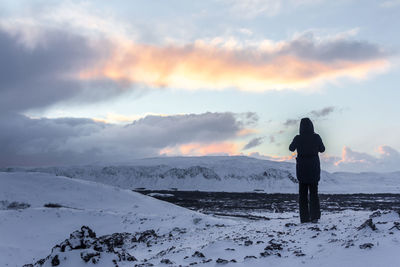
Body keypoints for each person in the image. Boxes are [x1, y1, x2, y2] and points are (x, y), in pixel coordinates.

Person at [289, 118, 325, 223]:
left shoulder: (298, 138)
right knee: (314, 192)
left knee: (303, 194)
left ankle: (304, 218)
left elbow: (291, 148)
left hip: (302, 168)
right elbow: (322, 149)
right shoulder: (316, 137)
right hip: (314, 166)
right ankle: (315, 217)